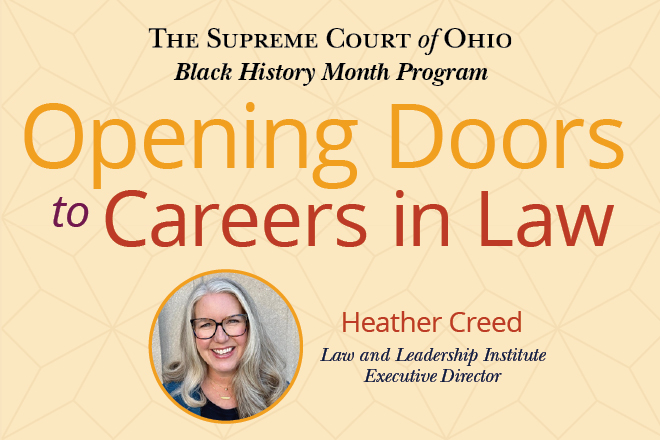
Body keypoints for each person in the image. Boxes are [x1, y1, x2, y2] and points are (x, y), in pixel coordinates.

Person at [162, 277, 288, 421]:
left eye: (232, 321)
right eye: (206, 325)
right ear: (192, 334)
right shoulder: (167, 398)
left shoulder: (282, 395)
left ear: (250, 328)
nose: (221, 338)